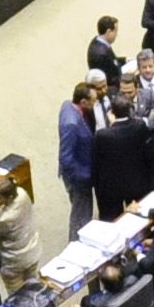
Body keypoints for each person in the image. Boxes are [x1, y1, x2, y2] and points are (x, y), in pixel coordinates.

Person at [56, 82, 98, 236]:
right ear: (83, 102)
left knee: (82, 209)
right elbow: (65, 157)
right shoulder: (72, 124)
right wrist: (81, 177)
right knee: (81, 214)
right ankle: (76, 242)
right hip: (79, 177)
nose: (95, 103)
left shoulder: (67, 105)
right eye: (93, 101)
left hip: (82, 168)